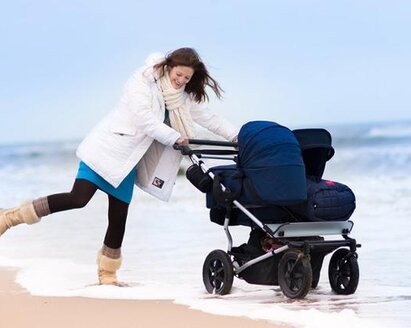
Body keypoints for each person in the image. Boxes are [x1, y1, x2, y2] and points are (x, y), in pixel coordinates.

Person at [0, 47, 238, 286]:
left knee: (118, 218)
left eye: (187, 78)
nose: (181, 81)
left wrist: (238, 136)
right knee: (77, 198)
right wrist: (174, 137)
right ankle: (10, 217)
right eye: (178, 75)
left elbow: (210, 119)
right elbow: (143, 118)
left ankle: (108, 274)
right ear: (168, 66)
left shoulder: (183, 98)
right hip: (107, 150)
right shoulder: (143, 80)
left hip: (128, 163)